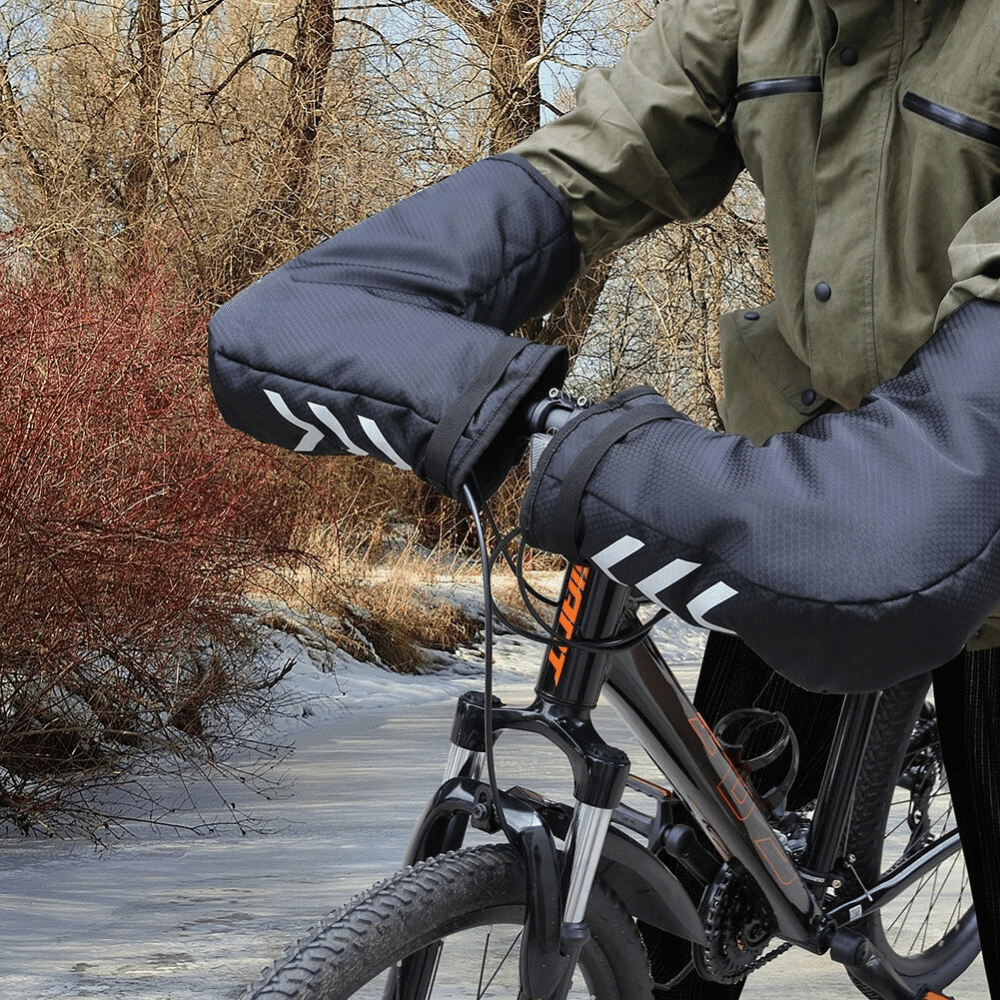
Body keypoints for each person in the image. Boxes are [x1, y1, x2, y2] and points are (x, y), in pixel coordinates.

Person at [208, 0, 1000, 995]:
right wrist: (353, 310)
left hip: (959, 494)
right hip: (801, 463)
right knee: (703, 905)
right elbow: (589, 163)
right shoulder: (761, 15)